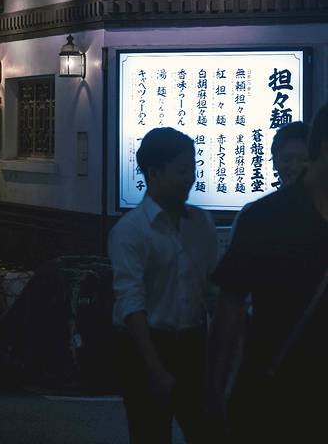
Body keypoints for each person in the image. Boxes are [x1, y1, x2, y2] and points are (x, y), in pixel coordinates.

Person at [207, 107, 328, 444]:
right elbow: (229, 311)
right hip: (275, 390)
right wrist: (214, 392)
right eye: (286, 158)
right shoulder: (264, 217)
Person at [107, 127, 218, 444]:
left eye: (192, 169)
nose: (190, 178)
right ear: (153, 173)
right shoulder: (130, 231)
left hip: (193, 343)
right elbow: (131, 303)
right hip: (146, 345)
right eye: (181, 170)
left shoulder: (201, 223)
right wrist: (155, 369)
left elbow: (212, 292)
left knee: (206, 431)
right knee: (150, 433)